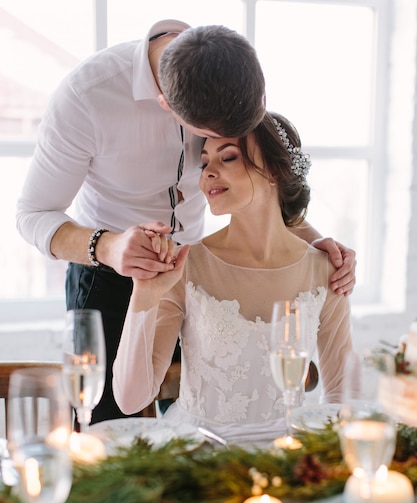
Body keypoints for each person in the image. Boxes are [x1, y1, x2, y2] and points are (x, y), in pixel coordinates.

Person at [16, 19, 355, 424]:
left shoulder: (225, 74)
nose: (207, 170)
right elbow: (32, 214)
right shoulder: (85, 98)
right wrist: (110, 247)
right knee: (110, 428)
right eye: (209, 150)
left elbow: (262, 176)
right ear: (168, 108)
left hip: (197, 269)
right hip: (108, 270)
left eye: (227, 151)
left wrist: (314, 249)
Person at [112, 111, 353, 437]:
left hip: (288, 461)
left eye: (228, 158)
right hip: (201, 457)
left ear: (274, 171)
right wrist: (144, 295)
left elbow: (341, 397)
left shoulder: (326, 271)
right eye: (205, 161)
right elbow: (131, 400)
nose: (208, 173)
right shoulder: (186, 265)